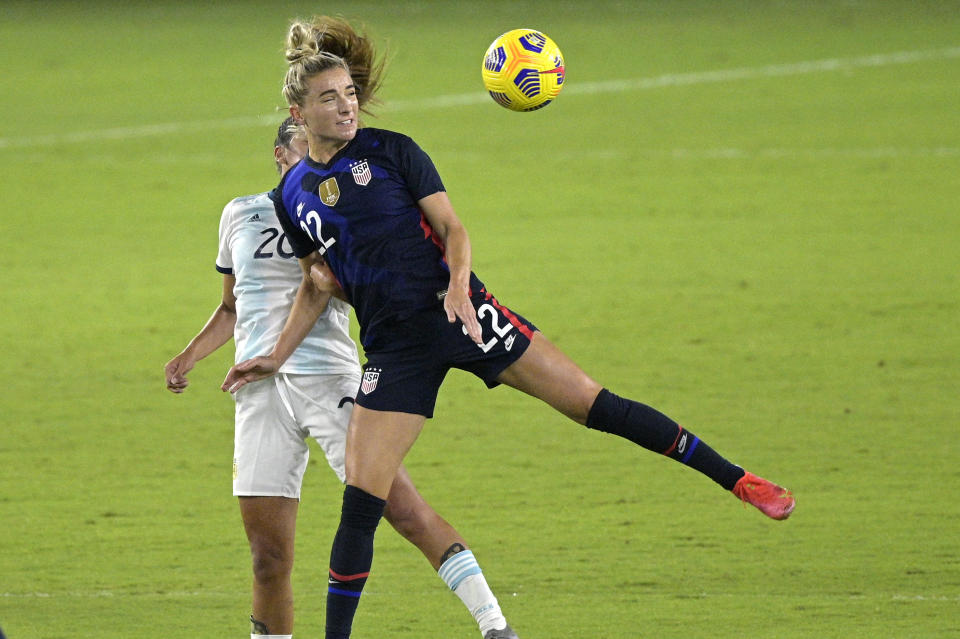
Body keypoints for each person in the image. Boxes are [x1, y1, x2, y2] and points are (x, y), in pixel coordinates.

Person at [222, 16, 795, 639]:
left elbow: (453, 230)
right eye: (330, 99)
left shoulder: (393, 150)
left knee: (594, 405)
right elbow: (319, 281)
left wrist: (463, 288)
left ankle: (739, 480)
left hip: (463, 315)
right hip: (394, 347)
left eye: (351, 95)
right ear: (298, 112)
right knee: (362, 505)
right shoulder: (292, 195)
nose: (346, 107)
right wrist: (275, 356)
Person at [166, 117, 519, 639]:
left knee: (403, 509)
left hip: (330, 379)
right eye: (299, 153)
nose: (308, 165)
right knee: (267, 556)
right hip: (258, 392)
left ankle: (494, 624)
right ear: (279, 154)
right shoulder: (239, 213)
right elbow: (231, 306)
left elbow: (371, 286)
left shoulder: (337, 211)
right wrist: (188, 356)